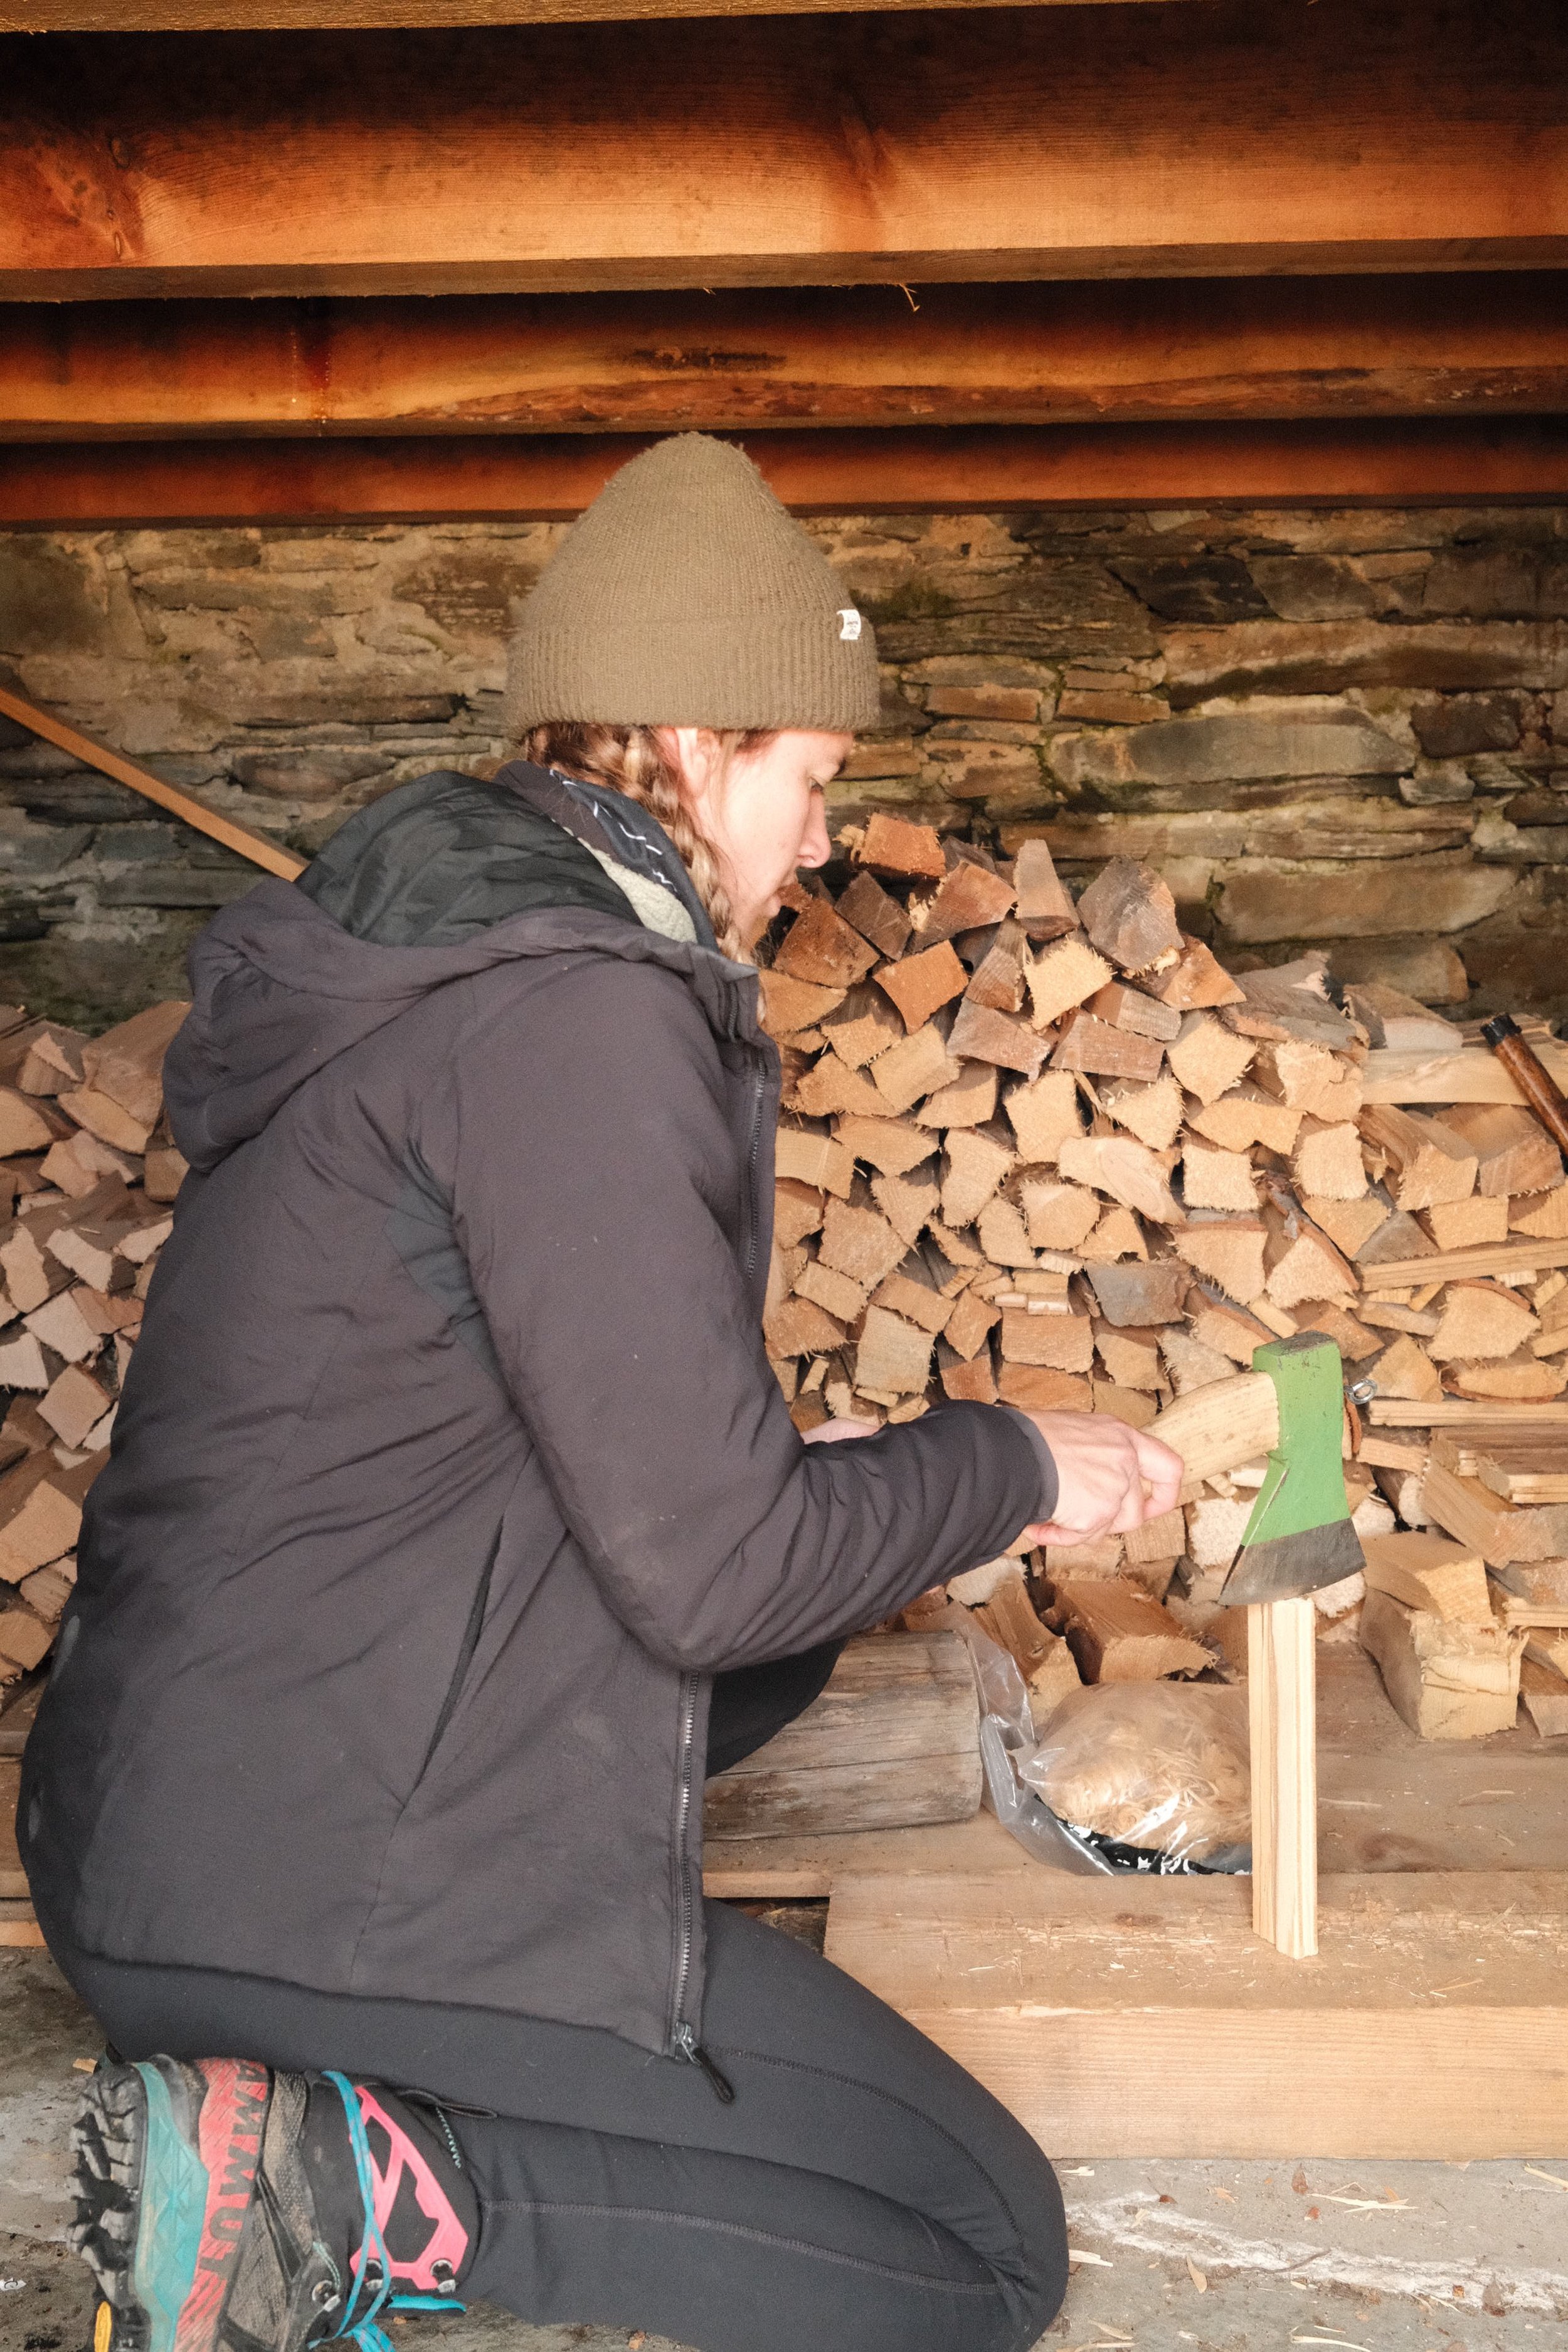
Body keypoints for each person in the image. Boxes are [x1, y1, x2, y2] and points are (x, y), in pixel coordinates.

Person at [23, 436, 1182, 2352]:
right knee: (982, 2246)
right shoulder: (574, 1013)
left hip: (177, 1815)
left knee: (794, 1641)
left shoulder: (461, 938)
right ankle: (340, 2191)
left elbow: (640, 1504)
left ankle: (358, 2094)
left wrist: (810, 1480)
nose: (820, 842)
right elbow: (714, 1574)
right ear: (689, 737)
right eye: (808, 780)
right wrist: (1000, 1459)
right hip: (293, 1885)